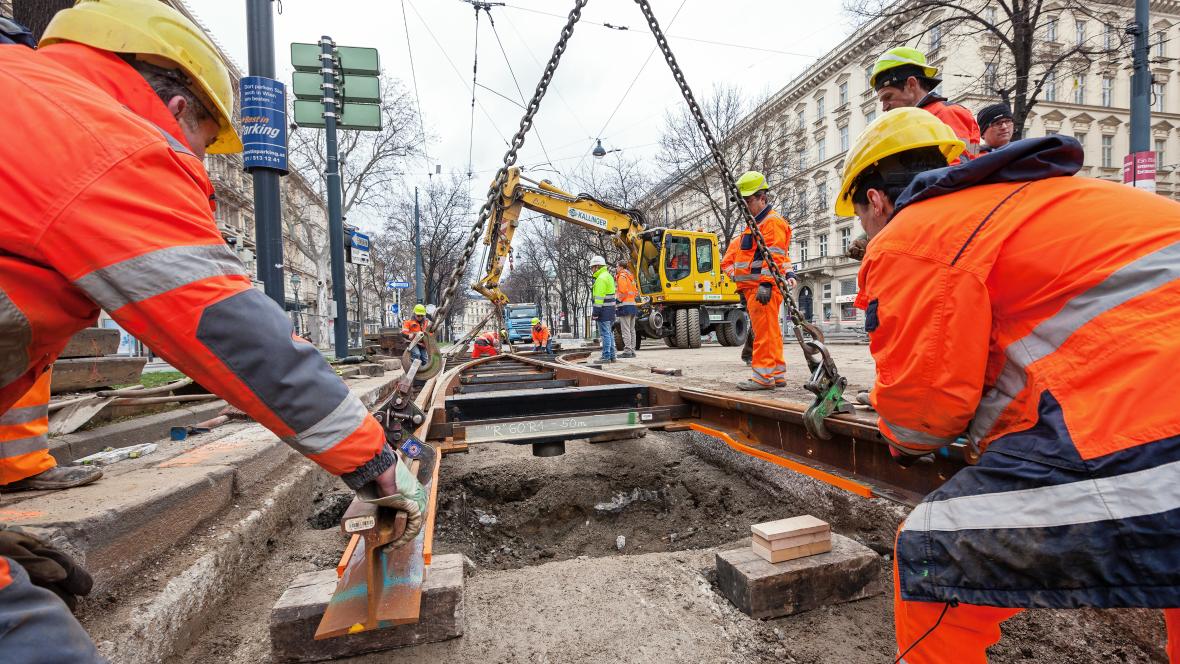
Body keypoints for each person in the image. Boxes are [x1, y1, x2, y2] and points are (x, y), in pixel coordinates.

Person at [0, 0, 424, 655]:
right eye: (205, 144)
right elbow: (230, 330)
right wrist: (375, 460)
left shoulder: (30, 103)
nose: (200, 166)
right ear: (176, 113)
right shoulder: (107, 142)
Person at [834, 106, 1180, 663]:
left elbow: (920, 420)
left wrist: (906, 433)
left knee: (930, 555)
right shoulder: (1043, 201)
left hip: (1145, 423)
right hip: (1153, 393)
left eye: (861, 220)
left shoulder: (913, 234)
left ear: (875, 201)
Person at [720, 172, 796, 391]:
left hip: (761, 288)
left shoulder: (771, 223)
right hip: (756, 287)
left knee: (763, 333)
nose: (744, 206)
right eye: (742, 202)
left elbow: (773, 256)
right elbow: (777, 257)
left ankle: (763, 377)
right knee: (771, 332)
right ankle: (777, 373)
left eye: (748, 200)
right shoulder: (757, 224)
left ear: (762, 197)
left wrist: (765, 283)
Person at [870, 46, 980, 159]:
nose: (884, 107)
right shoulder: (911, 122)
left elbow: (956, 168)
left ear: (911, 84)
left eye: (888, 96)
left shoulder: (947, 113)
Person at [589, 255, 617, 363]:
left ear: (597, 266)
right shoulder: (608, 276)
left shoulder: (600, 279)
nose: (591, 269)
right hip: (610, 311)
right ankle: (612, 356)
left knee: (605, 334)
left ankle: (606, 357)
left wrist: (595, 313)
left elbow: (599, 299)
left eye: (592, 267)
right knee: (609, 334)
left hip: (603, 311)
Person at [615, 259, 639, 358]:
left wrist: (617, 300)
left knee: (625, 330)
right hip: (633, 305)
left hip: (624, 306)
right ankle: (632, 350)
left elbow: (623, 291)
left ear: (621, 267)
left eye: (617, 266)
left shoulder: (622, 276)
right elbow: (636, 292)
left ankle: (627, 351)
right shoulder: (631, 277)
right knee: (632, 329)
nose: (616, 268)